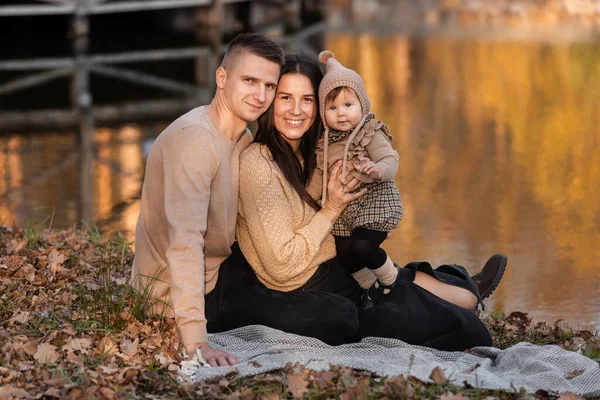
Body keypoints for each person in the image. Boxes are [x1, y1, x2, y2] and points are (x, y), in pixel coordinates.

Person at [237, 54, 508, 351]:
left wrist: (362, 218)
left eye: (308, 99)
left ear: (319, 107)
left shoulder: (310, 153)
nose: (296, 110)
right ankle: (464, 293)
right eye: (285, 97)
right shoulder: (258, 164)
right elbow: (282, 263)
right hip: (311, 288)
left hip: (335, 268)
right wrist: (333, 210)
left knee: (389, 274)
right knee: (463, 329)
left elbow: (324, 212)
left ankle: (461, 288)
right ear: (270, 101)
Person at [130, 33, 284, 367]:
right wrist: (197, 342)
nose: (260, 96)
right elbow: (184, 244)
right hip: (177, 297)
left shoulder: (241, 137)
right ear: (222, 78)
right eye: (249, 80)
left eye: (269, 86)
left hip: (219, 272)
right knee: (334, 318)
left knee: (327, 286)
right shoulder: (196, 140)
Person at [307, 50, 404, 302]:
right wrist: (307, 199)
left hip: (373, 203)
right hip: (343, 212)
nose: (341, 113)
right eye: (332, 107)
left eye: (348, 105)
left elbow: (390, 159)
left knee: (362, 247)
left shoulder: (370, 133)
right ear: (323, 112)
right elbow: (319, 178)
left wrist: (378, 169)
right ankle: (369, 288)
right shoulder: (324, 143)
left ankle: (393, 280)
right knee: (342, 252)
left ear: (362, 105)